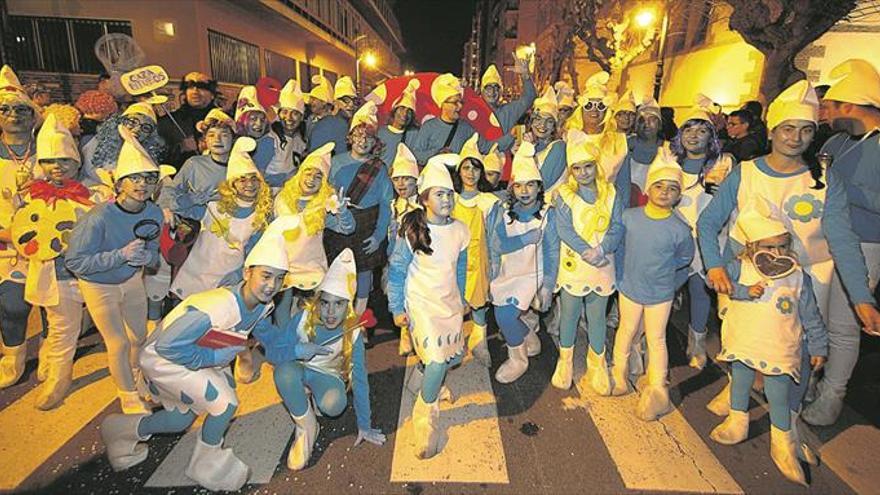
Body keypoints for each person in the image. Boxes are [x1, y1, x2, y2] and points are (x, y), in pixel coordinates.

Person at [697, 80, 880, 420]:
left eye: (806, 130)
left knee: (801, 347)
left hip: (808, 278)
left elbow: (843, 240)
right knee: (742, 337)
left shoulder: (825, 181)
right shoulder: (746, 174)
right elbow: (708, 224)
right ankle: (739, 386)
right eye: (788, 129)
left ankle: (788, 426)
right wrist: (715, 266)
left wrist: (861, 297)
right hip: (749, 275)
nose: (795, 138)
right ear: (772, 131)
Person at [99, 223, 291, 492]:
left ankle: (121, 431)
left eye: (280, 278)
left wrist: (299, 348)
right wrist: (213, 356)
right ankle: (207, 466)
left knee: (180, 419)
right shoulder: (218, 306)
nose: (273, 285)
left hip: (193, 355)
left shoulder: (262, 303)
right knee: (224, 403)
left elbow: (267, 335)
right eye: (267, 275)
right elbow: (167, 346)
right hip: (164, 359)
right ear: (248, 272)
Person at [709, 198, 826, 486]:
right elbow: (717, 282)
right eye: (768, 246)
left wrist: (820, 345)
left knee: (778, 393)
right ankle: (738, 422)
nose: (776, 253)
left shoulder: (797, 276)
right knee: (740, 380)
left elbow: (810, 312)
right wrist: (741, 290)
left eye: (782, 246)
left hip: (779, 347)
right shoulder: (741, 267)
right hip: (745, 340)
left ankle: (782, 440)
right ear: (752, 246)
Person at [65, 125, 173, 414]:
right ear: (120, 182)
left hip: (131, 280)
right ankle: (126, 395)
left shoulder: (152, 213)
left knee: (139, 337)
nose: (141, 184)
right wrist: (118, 256)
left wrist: (145, 260)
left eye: (148, 179)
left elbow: (152, 255)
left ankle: (138, 379)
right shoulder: (98, 217)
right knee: (119, 342)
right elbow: (74, 261)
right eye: (134, 178)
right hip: (99, 284)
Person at [802, 59, 880, 426]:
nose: (826, 114)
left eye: (832, 107)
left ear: (851, 106)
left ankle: (833, 395)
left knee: (844, 323)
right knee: (810, 314)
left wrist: (841, 188)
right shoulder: (835, 141)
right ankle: (808, 379)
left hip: (865, 244)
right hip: (820, 239)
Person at [271, 248, 385, 471]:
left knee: (334, 406)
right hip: (299, 369)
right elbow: (274, 352)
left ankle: (311, 396)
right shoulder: (303, 319)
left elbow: (360, 380)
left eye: (339, 304)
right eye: (325, 303)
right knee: (283, 373)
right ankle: (306, 427)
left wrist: (365, 426)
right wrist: (296, 350)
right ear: (317, 302)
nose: (331, 312)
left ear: (348, 306)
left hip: (327, 375)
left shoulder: (352, 333)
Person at [387, 156, 470, 459]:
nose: (446, 199)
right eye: (439, 193)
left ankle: (421, 380)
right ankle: (425, 412)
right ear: (424, 199)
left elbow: (459, 268)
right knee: (437, 360)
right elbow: (397, 271)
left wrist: (460, 299)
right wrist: (396, 307)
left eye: (449, 193)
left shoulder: (460, 230)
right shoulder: (411, 229)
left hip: (447, 301)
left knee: (452, 354)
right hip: (420, 303)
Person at [8, 115, 93, 407]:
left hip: (92, 276)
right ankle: (59, 378)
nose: (57, 166)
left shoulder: (92, 195)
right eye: (50, 160)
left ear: (77, 163)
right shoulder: (31, 198)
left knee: (116, 330)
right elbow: (22, 232)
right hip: (57, 275)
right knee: (61, 328)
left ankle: (131, 380)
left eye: (65, 161)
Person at [610, 155, 694, 421]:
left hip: (660, 294)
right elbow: (620, 247)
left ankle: (658, 388)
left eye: (672, 188)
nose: (664, 192)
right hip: (630, 287)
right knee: (627, 329)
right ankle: (619, 374)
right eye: (659, 186)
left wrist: (668, 280)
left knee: (657, 339)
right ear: (648, 188)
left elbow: (684, 258)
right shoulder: (629, 217)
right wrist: (622, 276)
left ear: (678, 195)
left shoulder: (680, 229)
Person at [551, 130, 624, 393]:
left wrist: (603, 248)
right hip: (575, 264)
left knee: (597, 316)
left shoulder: (612, 193)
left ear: (596, 166)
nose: (582, 173)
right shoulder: (565, 195)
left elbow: (617, 225)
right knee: (569, 314)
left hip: (603, 264)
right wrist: (586, 251)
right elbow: (564, 229)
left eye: (587, 167)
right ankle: (566, 360)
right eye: (577, 168)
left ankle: (597, 362)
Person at [487, 142, 559, 384]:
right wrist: (523, 239)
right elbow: (498, 245)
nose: (524, 190)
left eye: (530, 184)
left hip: (531, 276)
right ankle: (529, 338)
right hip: (508, 273)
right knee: (501, 314)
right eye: (518, 185)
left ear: (539, 186)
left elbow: (552, 252)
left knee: (506, 317)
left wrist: (548, 285)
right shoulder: (505, 212)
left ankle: (518, 359)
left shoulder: (549, 213)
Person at [671, 103, 736, 370]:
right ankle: (650, 340)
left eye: (702, 130)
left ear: (711, 137)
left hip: (707, 242)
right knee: (664, 291)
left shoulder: (725, 163)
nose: (694, 136)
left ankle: (696, 342)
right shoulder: (668, 160)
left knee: (700, 292)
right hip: (673, 241)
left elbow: (735, 205)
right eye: (688, 130)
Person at [168, 137, 271, 303]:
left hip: (228, 282)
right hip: (195, 278)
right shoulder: (213, 206)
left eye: (254, 179)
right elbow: (176, 208)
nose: (249, 184)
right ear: (232, 184)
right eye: (242, 180)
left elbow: (255, 253)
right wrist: (192, 199)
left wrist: (237, 275)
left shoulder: (262, 215)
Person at [273, 143, 355, 327]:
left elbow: (347, 229)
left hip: (312, 268)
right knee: (282, 318)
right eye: (308, 173)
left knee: (313, 318)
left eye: (318, 176)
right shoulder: (281, 200)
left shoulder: (323, 206)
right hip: (283, 267)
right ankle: (285, 349)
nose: (311, 179)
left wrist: (342, 211)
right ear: (300, 174)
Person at [325, 101, 391, 318]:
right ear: (350, 137)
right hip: (336, 223)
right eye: (358, 135)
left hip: (367, 222)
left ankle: (360, 316)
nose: (363, 141)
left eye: (369, 137)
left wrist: (379, 235)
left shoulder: (379, 168)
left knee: (364, 272)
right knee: (338, 269)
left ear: (375, 142)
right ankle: (338, 315)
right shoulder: (334, 162)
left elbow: (385, 204)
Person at [0, 65, 43, 389]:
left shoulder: (50, 153)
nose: (13, 115)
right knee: (13, 306)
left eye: (20, 110)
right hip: (5, 247)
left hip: (46, 245)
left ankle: (53, 356)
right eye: (5, 109)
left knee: (51, 307)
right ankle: (12, 360)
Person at [453, 134, 499, 367]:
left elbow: (495, 237)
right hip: (454, 263)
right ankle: (453, 344)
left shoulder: (489, 201)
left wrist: (495, 265)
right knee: (453, 305)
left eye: (476, 168)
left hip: (480, 260)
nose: (471, 173)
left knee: (480, 304)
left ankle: (480, 343)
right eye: (466, 168)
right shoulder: (449, 199)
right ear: (459, 171)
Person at [386, 142, 421, 355]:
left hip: (417, 260)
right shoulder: (392, 206)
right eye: (397, 179)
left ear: (416, 181)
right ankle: (404, 333)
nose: (401, 183)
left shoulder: (424, 206)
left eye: (406, 178)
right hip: (396, 259)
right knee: (400, 294)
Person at [81, 101, 166, 185]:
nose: (137, 129)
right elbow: (92, 170)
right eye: (132, 122)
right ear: (121, 121)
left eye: (146, 128)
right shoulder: (99, 142)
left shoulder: (149, 151)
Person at [479, 57, 536, 174]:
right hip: (480, 170)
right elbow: (483, 147)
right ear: (481, 90)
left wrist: (525, 75)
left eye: (496, 88)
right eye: (488, 88)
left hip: (505, 170)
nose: (492, 92)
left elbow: (529, 98)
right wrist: (510, 136)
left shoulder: (508, 111)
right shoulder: (475, 113)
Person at [411, 74, 477, 164]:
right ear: (443, 105)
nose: (460, 106)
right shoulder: (429, 126)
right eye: (455, 102)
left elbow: (484, 146)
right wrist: (437, 153)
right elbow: (417, 154)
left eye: (460, 102)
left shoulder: (466, 128)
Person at [157, 72, 220, 168]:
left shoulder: (224, 120)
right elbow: (158, 156)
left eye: (201, 87)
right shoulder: (168, 122)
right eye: (190, 86)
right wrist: (181, 148)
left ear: (212, 94)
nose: (195, 91)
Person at [615, 97, 668, 208]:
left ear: (660, 124)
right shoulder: (624, 144)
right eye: (641, 120)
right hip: (623, 206)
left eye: (652, 119)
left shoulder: (669, 149)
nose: (646, 123)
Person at [266, 79, 308, 193]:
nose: (289, 117)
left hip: (290, 195)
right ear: (278, 115)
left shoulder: (301, 140)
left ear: (301, 117)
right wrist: (287, 177)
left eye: (294, 113)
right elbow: (258, 175)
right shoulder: (270, 139)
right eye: (284, 112)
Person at [526, 86, 567, 196]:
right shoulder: (532, 146)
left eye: (549, 121)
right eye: (538, 119)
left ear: (554, 126)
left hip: (549, 208)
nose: (542, 125)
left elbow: (542, 185)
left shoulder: (559, 148)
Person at [377, 79, 419, 168]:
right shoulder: (380, 133)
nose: (405, 114)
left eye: (409, 111)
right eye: (402, 108)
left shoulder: (415, 134)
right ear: (394, 111)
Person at [233, 85, 275, 175]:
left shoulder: (267, 143)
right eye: (253, 119)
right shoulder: (232, 141)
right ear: (243, 121)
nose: (259, 124)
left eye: (263, 119)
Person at [307, 76, 352, 154]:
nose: (309, 102)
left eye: (313, 99)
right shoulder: (309, 120)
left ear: (324, 102)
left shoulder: (339, 123)